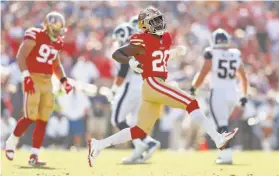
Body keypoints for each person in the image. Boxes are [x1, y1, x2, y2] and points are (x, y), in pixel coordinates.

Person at [87, 7, 239, 167]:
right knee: (191, 102)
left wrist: (174, 53)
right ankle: (217, 138)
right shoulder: (141, 39)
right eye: (154, 21)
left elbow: (158, 58)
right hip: (153, 83)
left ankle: (99, 145)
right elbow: (117, 54)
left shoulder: (164, 38)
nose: (159, 23)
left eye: (159, 19)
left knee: (139, 131)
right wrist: (130, 61)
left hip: (153, 86)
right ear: (146, 25)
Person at [5, 12, 73, 166]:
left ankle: (34, 156)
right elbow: (21, 56)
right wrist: (26, 76)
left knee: (44, 118)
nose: (58, 32)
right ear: (48, 26)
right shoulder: (35, 35)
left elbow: (56, 64)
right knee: (30, 116)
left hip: (48, 80)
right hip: (33, 77)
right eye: (56, 29)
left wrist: (63, 80)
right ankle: (11, 142)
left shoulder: (57, 42)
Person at [190, 28, 248, 164]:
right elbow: (244, 78)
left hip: (218, 92)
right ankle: (223, 153)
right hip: (233, 93)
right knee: (222, 124)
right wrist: (244, 95)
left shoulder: (212, 53)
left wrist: (194, 88)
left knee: (221, 125)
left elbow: (204, 72)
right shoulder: (235, 54)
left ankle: (226, 155)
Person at [110, 21, 160, 164]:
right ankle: (147, 142)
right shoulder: (143, 43)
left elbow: (123, 71)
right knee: (133, 122)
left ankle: (140, 144)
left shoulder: (129, 46)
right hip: (145, 84)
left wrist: (113, 90)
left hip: (132, 85)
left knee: (117, 119)